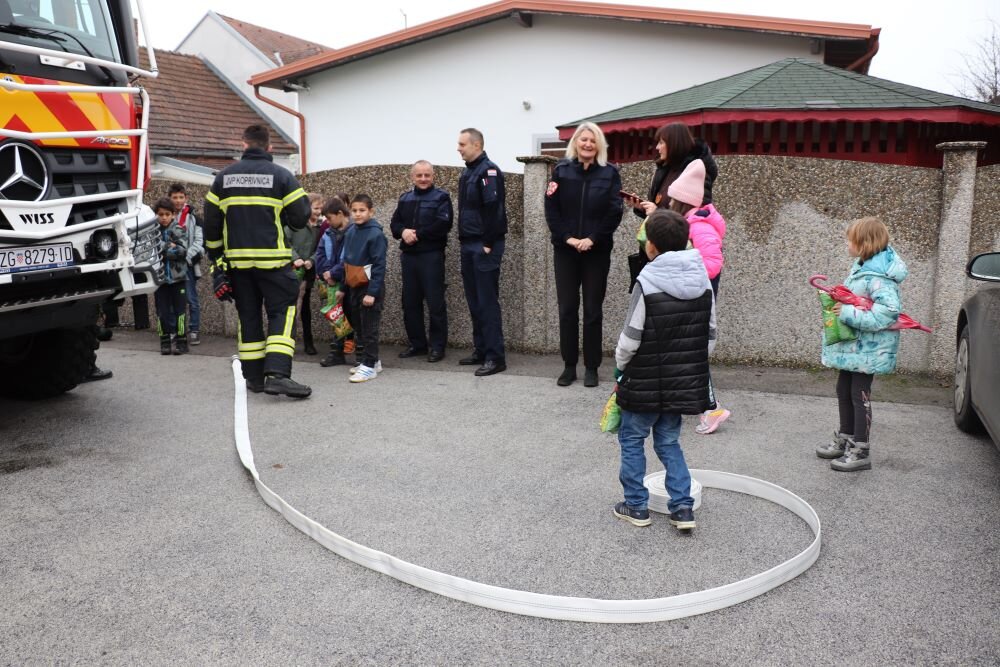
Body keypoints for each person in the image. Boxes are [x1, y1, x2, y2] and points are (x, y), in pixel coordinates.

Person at [612, 209, 716, 531]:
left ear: (651, 246)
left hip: (643, 380)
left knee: (632, 439)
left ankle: (636, 506)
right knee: (669, 442)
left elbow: (631, 338)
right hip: (680, 382)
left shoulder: (647, 281)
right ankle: (683, 508)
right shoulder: (702, 279)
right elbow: (710, 335)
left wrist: (620, 368)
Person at [203, 124, 312, 399]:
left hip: (238, 267)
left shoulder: (222, 179)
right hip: (274, 263)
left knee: (248, 317)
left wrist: (218, 264)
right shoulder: (282, 176)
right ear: (269, 147)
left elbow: (211, 228)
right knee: (282, 313)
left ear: (244, 145)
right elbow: (301, 217)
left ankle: (253, 378)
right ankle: (277, 375)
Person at [816, 217, 907, 472]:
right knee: (843, 389)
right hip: (855, 348)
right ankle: (846, 437)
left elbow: (887, 313)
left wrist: (847, 313)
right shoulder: (861, 269)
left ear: (865, 244)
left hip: (869, 350)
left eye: (850, 240)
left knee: (859, 394)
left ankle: (861, 449)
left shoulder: (880, 278)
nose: (847, 244)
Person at [544, 122, 623, 388]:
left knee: (592, 310)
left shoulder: (610, 173)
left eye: (592, 140)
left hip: (596, 251)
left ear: (599, 144)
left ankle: (591, 367)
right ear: (575, 143)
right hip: (565, 250)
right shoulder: (561, 171)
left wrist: (592, 239)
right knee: (567, 309)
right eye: (583, 139)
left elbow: (614, 211)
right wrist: (568, 238)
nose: (588, 144)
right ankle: (569, 366)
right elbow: (551, 209)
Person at [665, 159, 731, 434]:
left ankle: (711, 408)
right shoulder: (692, 223)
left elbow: (713, 264)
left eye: (672, 200)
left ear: (682, 202)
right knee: (686, 352)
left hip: (695, 300)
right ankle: (689, 401)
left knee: (693, 354)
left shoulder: (699, 226)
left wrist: (683, 268)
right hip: (691, 297)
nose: (669, 204)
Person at [623, 122, 719, 284]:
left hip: (677, 255)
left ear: (674, 143)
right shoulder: (663, 169)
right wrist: (643, 208)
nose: (657, 148)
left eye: (661, 142)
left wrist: (657, 213)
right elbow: (658, 204)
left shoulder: (695, 170)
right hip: (657, 248)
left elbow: (691, 214)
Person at [390, 160, 454, 362]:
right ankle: (417, 345)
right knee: (410, 303)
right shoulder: (405, 198)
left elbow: (444, 224)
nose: (423, 179)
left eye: (427, 175)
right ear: (412, 177)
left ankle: (437, 347)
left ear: (433, 176)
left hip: (431, 256)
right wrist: (403, 232)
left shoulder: (441, 197)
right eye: (419, 175)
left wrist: (417, 235)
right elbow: (394, 224)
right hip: (409, 258)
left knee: (435, 304)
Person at [456, 127, 507, 376]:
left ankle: (495, 357)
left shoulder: (489, 171)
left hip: (483, 245)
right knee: (475, 302)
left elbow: (494, 209)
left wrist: (487, 242)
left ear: (476, 145)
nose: (458, 148)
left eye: (462, 144)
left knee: (487, 303)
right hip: (469, 244)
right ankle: (482, 349)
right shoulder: (468, 172)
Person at [341, 194, 387, 383]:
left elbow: (379, 265)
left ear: (371, 212)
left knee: (369, 328)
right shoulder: (351, 231)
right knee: (359, 327)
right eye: (354, 210)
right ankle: (373, 361)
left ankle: (369, 365)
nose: (358, 214)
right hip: (354, 285)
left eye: (362, 210)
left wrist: (372, 293)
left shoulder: (376, 234)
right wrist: (343, 287)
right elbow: (346, 260)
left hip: (369, 288)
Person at [315, 196, 353, 367]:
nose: (327, 222)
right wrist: (326, 274)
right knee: (336, 316)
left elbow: (349, 258)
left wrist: (333, 273)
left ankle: (361, 354)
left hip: (348, 281)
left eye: (329, 218)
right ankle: (336, 352)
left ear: (340, 213)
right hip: (332, 281)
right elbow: (320, 254)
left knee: (353, 316)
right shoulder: (328, 233)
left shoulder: (353, 231)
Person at [285, 192, 325, 355]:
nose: (319, 212)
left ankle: (309, 342)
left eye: (321, 208)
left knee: (305, 307)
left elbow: (321, 248)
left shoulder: (321, 226)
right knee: (291, 307)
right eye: (316, 208)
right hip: (293, 270)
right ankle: (287, 341)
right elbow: (285, 241)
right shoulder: (295, 224)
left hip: (309, 271)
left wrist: (312, 260)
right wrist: (296, 258)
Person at [152, 197, 189, 356]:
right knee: (162, 313)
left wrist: (163, 248)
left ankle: (181, 342)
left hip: (178, 279)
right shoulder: (153, 231)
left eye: (167, 214)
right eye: (161, 214)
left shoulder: (179, 229)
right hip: (160, 280)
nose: (164, 218)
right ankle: (165, 341)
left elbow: (182, 251)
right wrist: (169, 246)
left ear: (173, 214)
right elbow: (152, 251)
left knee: (180, 312)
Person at [169, 183, 204, 345]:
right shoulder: (166, 216)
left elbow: (199, 242)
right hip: (171, 265)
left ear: (186, 198)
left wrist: (185, 257)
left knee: (191, 299)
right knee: (173, 300)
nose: (178, 200)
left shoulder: (194, 218)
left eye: (181, 197)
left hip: (188, 264)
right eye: (174, 197)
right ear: (169, 198)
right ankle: (175, 330)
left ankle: (194, 330)